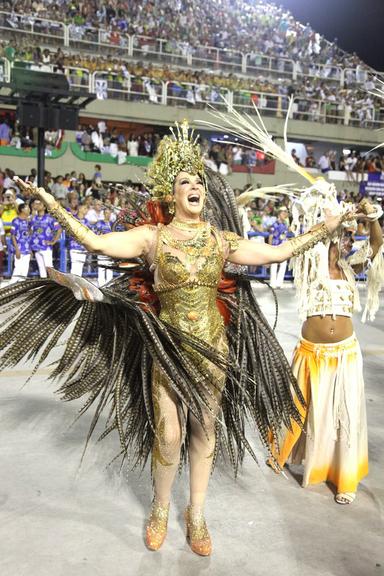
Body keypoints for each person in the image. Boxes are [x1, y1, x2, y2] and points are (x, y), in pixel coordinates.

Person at [6, 121, 345, 557]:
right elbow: (94, 241)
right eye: (186, 181)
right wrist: (50, 201)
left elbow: (276, 252)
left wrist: (326, 227)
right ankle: (161, 507)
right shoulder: (152, 238)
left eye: (199, 181)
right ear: (172, 195)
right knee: (168, 435)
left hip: (212, 349)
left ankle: (197, 514)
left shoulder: (222, 240)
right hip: (167, 350)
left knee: (205, 427)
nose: (195, 186)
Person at [269, 190, 383, 506]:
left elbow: (376, 247)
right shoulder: (308, 261)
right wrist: (341, 214)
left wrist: (372, 218)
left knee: (344, 416)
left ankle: (344, 477)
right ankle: (284, 454)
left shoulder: (350, 268)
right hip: (311, 353)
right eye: (337, 232)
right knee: (299, 410)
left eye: (345, 235)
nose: (341, 239)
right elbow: (306, 238)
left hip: (345, 355)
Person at [30, 199, 61, 278]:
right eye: (36, 204)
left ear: (44, 207)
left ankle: (53, 284)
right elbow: (30, 230)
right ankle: (44, 285)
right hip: (36, 246)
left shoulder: (50, 218)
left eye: (40, 204)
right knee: (41, 267)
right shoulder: (34, 218)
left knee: (49, 267)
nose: (37, 206)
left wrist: (53, 241)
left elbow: (59, 229)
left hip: (46, 246)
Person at [9, 203, 31, 284]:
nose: (29, 210)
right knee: (18, 269)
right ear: (22, 210)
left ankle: (21, 288)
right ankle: (10, 286)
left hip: (27, 249)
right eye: (27, 208)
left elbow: (29, 235)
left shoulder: (28, 221)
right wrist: (17, 249)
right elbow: (13, 235)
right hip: (19, 249)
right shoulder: (15, 221)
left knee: (25, 270)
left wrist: (30, 249)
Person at [268, 206, 290, 289]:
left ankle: (279, 283)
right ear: (279, 214)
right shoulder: (274, 224)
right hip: (275, 246)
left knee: (283, 265)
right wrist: (270, 248)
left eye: (285, 212)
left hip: (283, 247)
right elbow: (270, 236)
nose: (285, 214)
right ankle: (272, 283)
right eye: (283, 212)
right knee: (274, 265)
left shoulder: (285, 224)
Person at [94, 207, 114, 287]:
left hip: (111, 249)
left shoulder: (113, 223)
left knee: (110, 267)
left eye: (109, 213)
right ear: (103, 214)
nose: (108, 215)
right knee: (101, 267)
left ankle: (109, 285)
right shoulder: (99, 223)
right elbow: (96, 234)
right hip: (102, 248)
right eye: (106, 213)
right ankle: (101, 285)